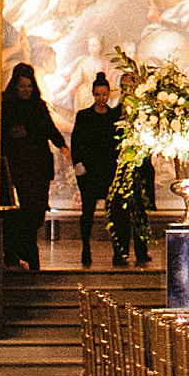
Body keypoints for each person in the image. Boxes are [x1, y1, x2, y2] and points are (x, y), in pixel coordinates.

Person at [0, 65, 67, 272]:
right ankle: (25, 250)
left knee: (36, 211)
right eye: (22, 86)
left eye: (29, 86)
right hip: (17, 167)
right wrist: (12, 134)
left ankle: (26, 248)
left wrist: (62, 145)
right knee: (22, 210)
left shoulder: (38, 106)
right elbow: (1, 133)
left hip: (38, 167)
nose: (26, 90)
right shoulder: (7, 105)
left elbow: (49, 128)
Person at [68, 71, 121, 268]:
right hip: (89, 171)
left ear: (109, 94)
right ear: (93, 94)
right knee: (88, 210)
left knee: (113, 212)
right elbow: (76, 142)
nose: (101, 98)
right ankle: (86, 248)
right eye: (98, 94)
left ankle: (117, 249)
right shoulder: (84, 116)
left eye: (104, 94)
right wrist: (78, 164)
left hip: (108, 169)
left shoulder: (114, 117)